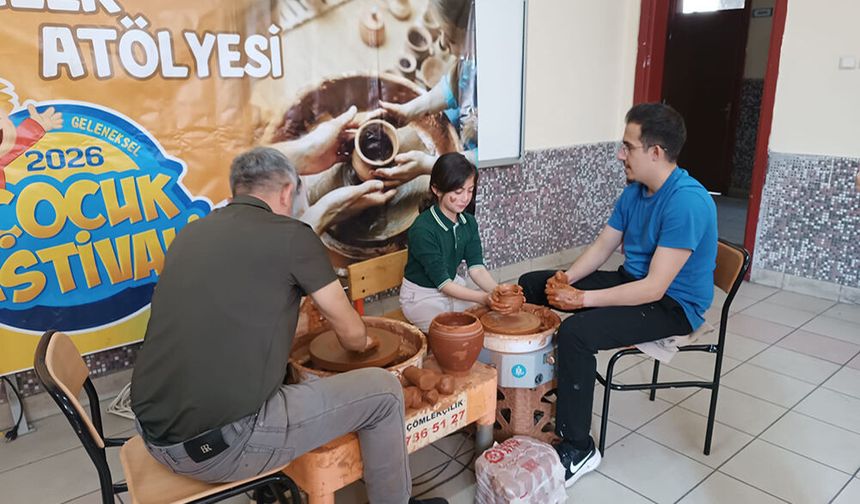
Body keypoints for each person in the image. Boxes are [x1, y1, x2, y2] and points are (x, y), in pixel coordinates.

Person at [131, 147, 446, 504]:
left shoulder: (190, 235)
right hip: (219, 450)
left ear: (237, 189)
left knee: (276, 370)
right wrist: (366, 345)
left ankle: (271, 487)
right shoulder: (293, 236)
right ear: (285, 192)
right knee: (384, 393)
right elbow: (354, 336)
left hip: (151, 433)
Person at [518, 103, 717, 487]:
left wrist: (582, 300)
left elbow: (654, 287)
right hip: (634, 282)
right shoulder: (635, 192)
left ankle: (579, 447)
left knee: (577, 333)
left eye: (628, 146)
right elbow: (603, 246)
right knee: (531, 284)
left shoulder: (687, 202)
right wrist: (564, 280)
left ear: (655, 152)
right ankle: (525, 389)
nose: (619, 154)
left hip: (671, 306)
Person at [375, 0, 477, 186]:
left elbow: (487, 160)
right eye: (441, 33)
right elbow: (453, 87)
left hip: (483, 159)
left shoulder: (502, 90)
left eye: (451, 39)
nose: (443, 44)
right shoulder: (473, 60)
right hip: (467, 118)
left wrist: (428, 165)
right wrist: (410, 110)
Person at [400, 152, 503, 332]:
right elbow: (444, 284)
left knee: (485, 321)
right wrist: (483, 297)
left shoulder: (468, 222)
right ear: (437, 189)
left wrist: (497, 291)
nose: (465, 198)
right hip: (421, 296)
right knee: (455, 333)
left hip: (452, 286)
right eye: (458, 191)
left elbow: (477, 269)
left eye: (470, 190)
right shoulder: (423, 229)